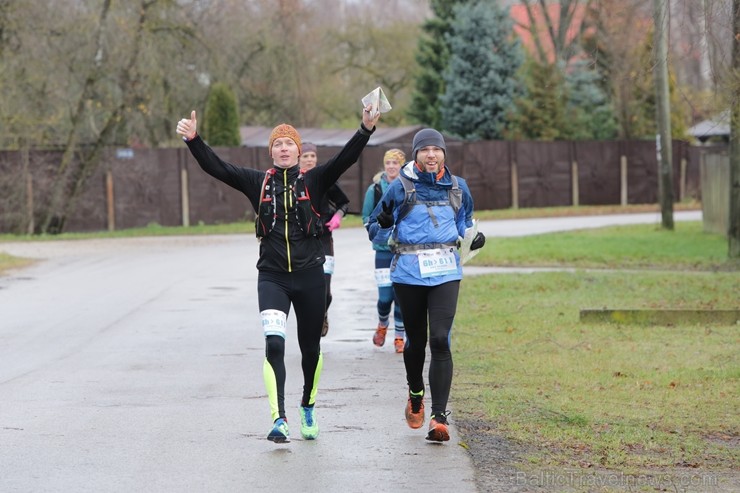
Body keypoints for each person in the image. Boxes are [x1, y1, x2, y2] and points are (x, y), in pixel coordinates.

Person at [176, 105, 380, 444]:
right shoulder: (257, 182)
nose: (284, 148)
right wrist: (194, 139)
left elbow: (346, 159)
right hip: (272, 277)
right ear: (271, 151)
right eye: (278, 144)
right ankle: (279, 418)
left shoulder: (314, 179)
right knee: (274, 343)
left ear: (299, 152)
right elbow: (218, 168)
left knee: (310, 349)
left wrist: (365, 128)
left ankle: (308, 406)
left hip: (310, 276)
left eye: (289, 143)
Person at [367, 129, 485, 442]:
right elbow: (376, 229)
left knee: (441, 339)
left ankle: (440, 417)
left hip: (446, 272)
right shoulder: (399, 187)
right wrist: (381, 224)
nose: (431, 155)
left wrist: (476, 238)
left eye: (437, 149)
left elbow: (466, 226)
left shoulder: (459, 188)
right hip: (408, 274)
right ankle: (416, 394)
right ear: (416, 154)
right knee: (416, 341)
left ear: (444, 154)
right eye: (425, 150)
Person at [298, 142, 349, 337]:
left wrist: (337, 217)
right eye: (305, 156)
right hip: (301, 242)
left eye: (312, 156)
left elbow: (344, 203)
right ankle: (310, 325)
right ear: (298, 158)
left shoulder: (324, 178)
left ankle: (323, 314)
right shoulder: (293, 180)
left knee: (324, 292)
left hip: (324, 239)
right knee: (306, 290)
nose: (310, 160)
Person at [362, 149, 406, 353]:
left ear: (401, 165)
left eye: (395, 163)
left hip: (403, 250)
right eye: (388, 162)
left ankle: (399, 336)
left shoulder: (408, 187)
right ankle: (382, 325)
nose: (391, 166)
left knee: (400, 297)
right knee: (385, 297)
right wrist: (380, 232)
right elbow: (366, 218)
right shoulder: (376, 189)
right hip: (382, 250)